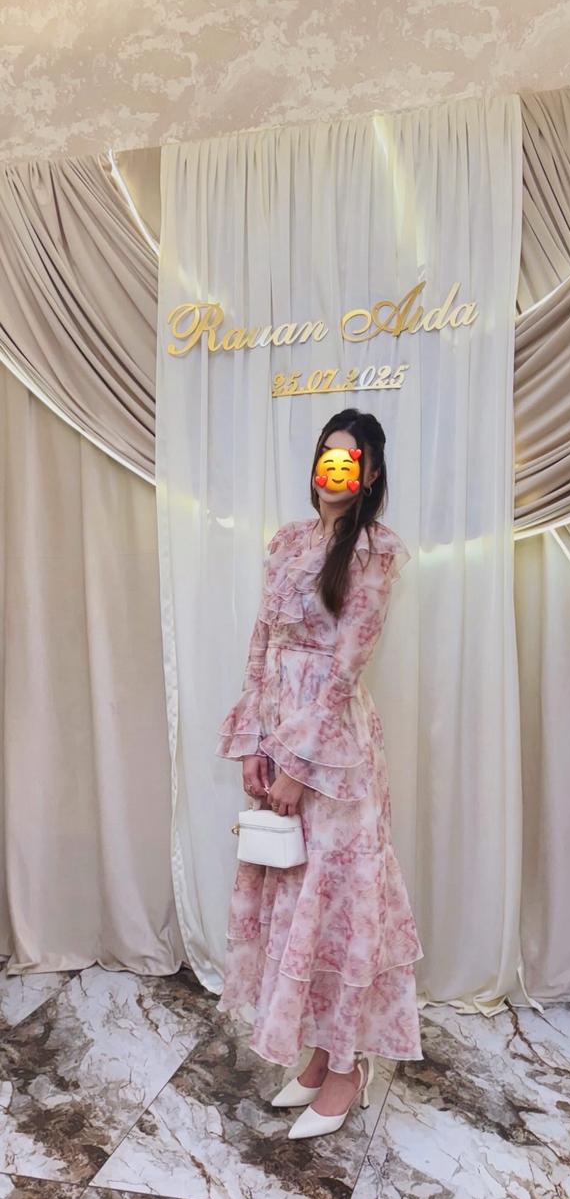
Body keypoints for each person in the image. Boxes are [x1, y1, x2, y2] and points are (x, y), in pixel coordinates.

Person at [215, 407, 424, 1140]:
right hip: (278, 730)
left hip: (335, 754)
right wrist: (253, 740)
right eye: (326, 456)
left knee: (337, 908)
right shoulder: (286, 541)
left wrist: (300, 766)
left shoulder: (374, 552)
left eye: (350, 459)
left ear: (370, 473)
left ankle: (346, 1069)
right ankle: (315, 1055)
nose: (334, 470)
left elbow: (345, 668)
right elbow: (261, 643)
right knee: (292, 898)